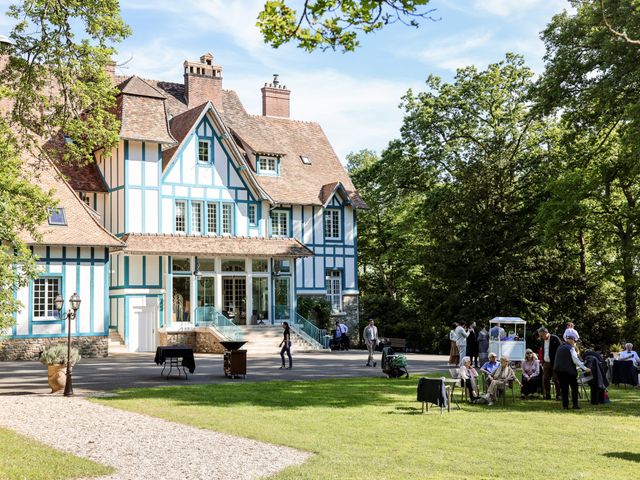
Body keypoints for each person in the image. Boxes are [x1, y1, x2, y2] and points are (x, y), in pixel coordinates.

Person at [553, 333, 590, 410]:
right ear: (572, 341)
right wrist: (585, 368)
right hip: (569, 372)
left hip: (558, 371)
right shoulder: (571, 348)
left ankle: (565, 406)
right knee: (574, 388)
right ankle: (575, 405)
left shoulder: (560, 347)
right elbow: (576, 360)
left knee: (564, 389)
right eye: (575, 341)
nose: (575, 343)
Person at [537, 327, 562, 400]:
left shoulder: (555, 338)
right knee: (545, 379)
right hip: (546, 363)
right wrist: (543, 362)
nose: (541, 337)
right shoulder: (542, 340)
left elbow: (561, 348)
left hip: (555, 362)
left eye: (541, 335)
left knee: (556, 379)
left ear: (546, 333)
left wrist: (558, 360)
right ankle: (547, 395)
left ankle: (559, 395)